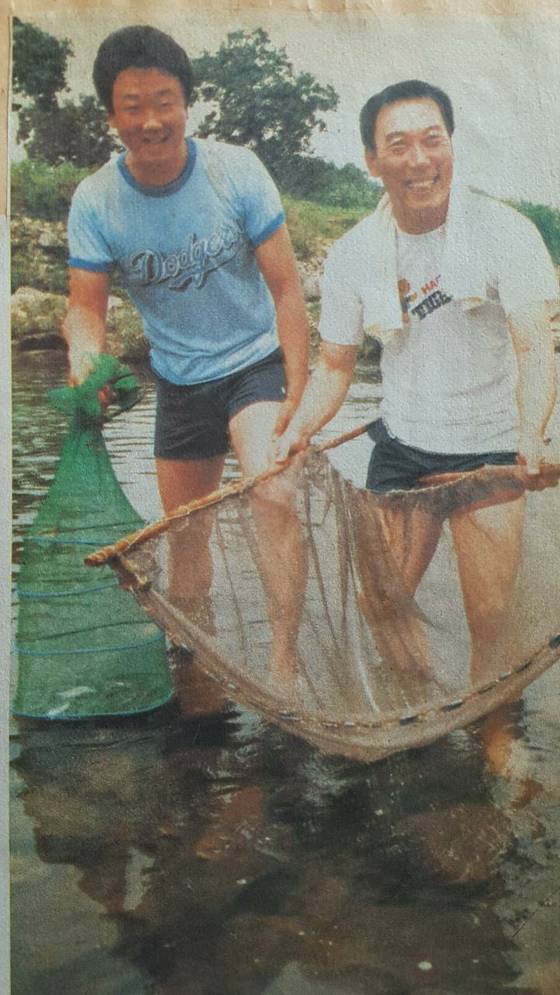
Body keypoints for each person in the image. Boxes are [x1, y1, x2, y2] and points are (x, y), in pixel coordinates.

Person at [278, 79, 558, 667]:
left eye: (433, 140)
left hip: (491, 447)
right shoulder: (354, 253)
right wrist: (295, 432)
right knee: (381, 600)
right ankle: (418, 706)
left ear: (451, 144)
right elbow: (334, 366)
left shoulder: (506, 232)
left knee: (489, 618)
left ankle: (494, 740)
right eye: (399, 145)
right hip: (404, 445)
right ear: (372, 161)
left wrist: (532, 434)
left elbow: (535, 348)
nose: (419, 160)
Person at [64, 25, 309, 680]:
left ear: (186, 103)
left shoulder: (236, 171)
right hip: (179, 380)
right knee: (185, 537)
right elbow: (85, 309)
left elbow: (287, 289)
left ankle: (284, 655)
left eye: (164, 101)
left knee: (274, 492)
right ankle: (196, 667)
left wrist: (299, 396)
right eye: (133, 106)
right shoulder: (96, 200)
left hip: (254, 362)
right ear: (112, 115)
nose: (151, 121)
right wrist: (86, 362)